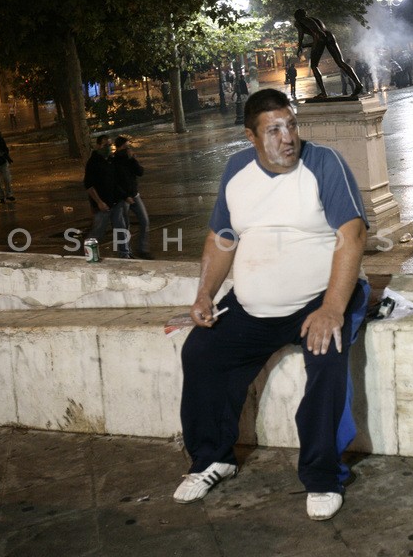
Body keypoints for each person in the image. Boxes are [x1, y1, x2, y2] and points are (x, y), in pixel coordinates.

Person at [174, 88, 370, 522]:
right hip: (253, 308)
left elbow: (352, 236)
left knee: (327, 356)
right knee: (202, 352)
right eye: (274, 130)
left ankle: (323, 476)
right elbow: (222, 238)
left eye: (292, 125)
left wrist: (332, 308)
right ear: (251, 137)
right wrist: (205, 293)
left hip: (320, 300)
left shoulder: (323, 163)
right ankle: (212, 460)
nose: (288, 138)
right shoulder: (236, 170)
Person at [294, 9, 363, 98]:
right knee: (340, 62)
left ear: (297, 16)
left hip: (319, 37)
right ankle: (358, 84)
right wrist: (305, 45)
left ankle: (323, 93)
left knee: (314, 66)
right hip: (329, 35)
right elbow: (321, 38)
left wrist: (299, 46)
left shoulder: (299, 21)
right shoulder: (316, 20)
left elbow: (303, 33)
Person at [84, 135, 131, 258]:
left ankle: (124, 254)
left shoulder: (110, 160)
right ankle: (89, 254)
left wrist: (124, 196)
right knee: (98, 232)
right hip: (103, 205)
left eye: (110, 145)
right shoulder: (93, 163)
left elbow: (115, 181)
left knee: (121, 229)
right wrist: (99, 202)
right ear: (98, 146)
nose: (109, 148)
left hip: (115, 202)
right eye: (106, 145)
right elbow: (89, 186)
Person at [113, 136, 152, 260]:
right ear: (119, 147)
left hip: (135, 195)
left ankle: (142, 249)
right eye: (125, 147)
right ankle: (125, 252)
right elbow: (115, 182)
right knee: (124, 226)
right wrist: (124, 196)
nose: (127, 149)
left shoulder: (129, 159)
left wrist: (133, 160)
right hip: (123, 198)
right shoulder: (115, 161)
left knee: (144, 221)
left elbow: (140, 172)